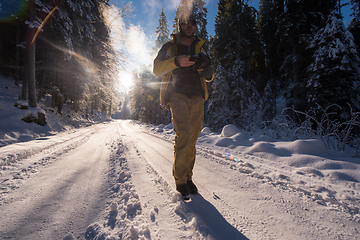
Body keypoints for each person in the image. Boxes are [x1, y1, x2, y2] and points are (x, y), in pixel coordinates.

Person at [153, 12, 214, 197]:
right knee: (185, 133)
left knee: (193, 138)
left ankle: (188, 177)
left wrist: (205, 70)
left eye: (192, 23)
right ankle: (180, 180)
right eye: (185, 22)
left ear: (195, 26)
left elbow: (210, 76)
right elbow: (156, 69)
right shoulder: (170, 47)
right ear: (179, 25)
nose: (189, 25)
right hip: (177, 94)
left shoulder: (201, 48)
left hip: (197, 96)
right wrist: (176, 61)